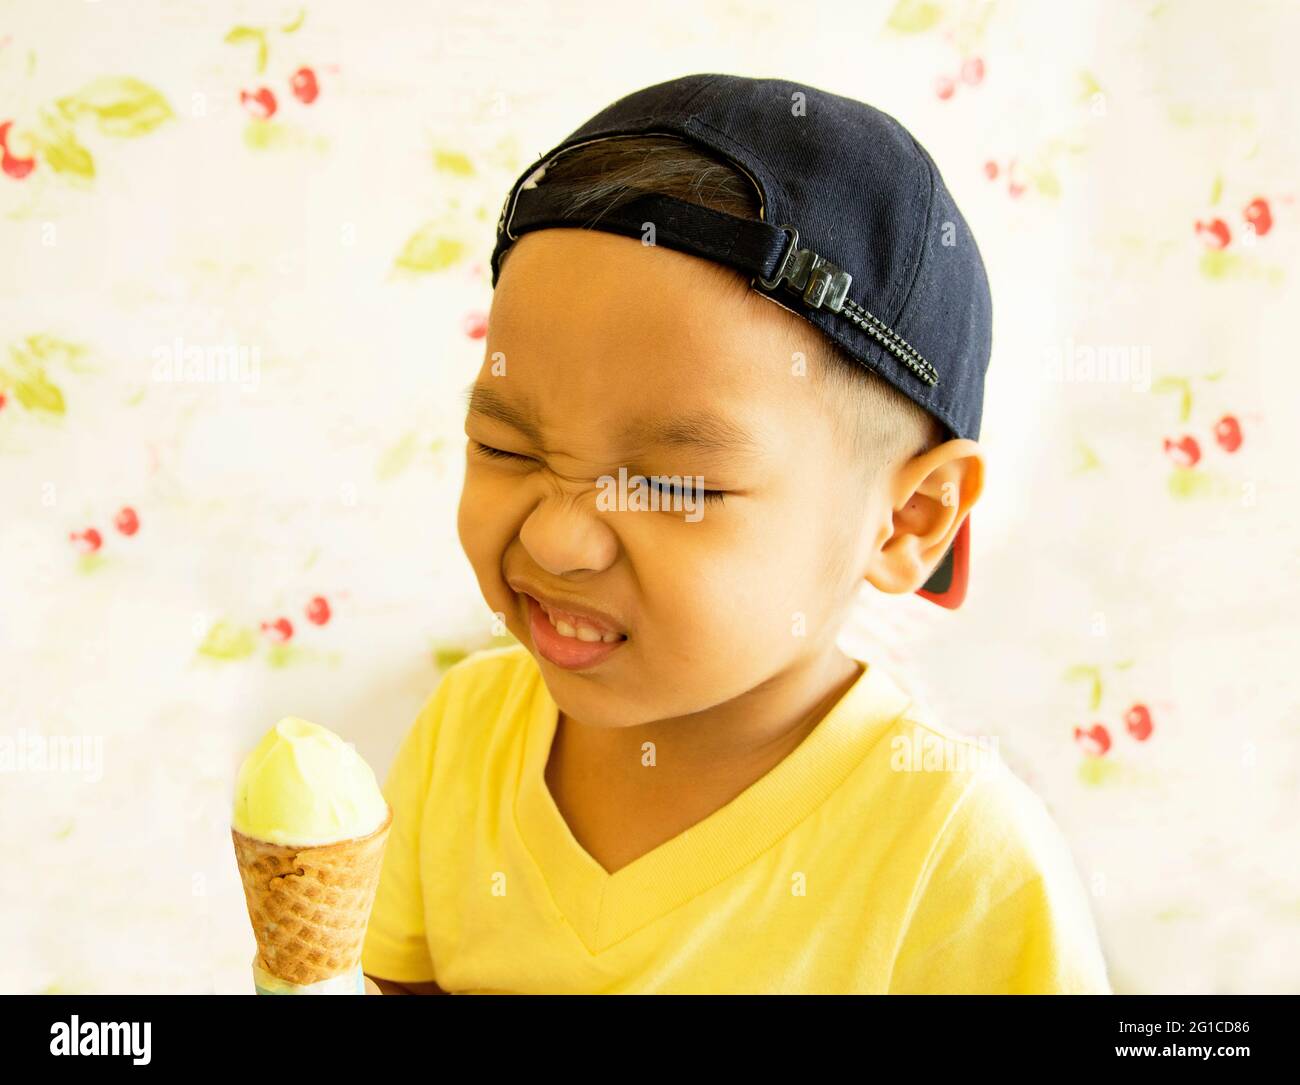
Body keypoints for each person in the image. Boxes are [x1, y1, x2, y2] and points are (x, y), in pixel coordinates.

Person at [361, 74, 1111, 994]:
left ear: (910, 517)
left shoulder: (955, 858)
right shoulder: (465, 732)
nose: (558, 540)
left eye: (675, 485)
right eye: (504, 445)